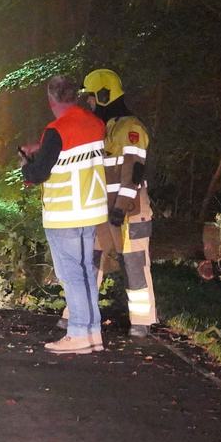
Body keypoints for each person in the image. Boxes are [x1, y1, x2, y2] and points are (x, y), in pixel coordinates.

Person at [20, 74, 109, 354]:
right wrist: (43, 148)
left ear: (51, 99)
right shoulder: (95, 124)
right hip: (90, 209)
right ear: (75, 96)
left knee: (71, 274)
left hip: (64, 213)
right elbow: (71, 154)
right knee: (85, 271)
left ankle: (79, 334)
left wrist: (26, 164)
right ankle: (92, 332)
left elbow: (39, 173)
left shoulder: (56, 131)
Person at [84, 68, 159, 336]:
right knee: (90, 261)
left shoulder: (131, 128)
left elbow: (134, 171)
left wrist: (120, 208)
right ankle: (79, 316)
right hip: (102, 211)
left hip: (130, 212)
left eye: (91, 97)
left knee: (135, 264)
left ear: (104, 95)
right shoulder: (101, 128)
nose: (89, 103)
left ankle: (142, 321)